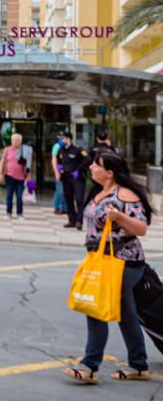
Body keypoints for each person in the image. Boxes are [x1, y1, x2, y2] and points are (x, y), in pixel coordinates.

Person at [63, 152, 152, 384]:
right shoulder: (99, 192)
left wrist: (119, 216)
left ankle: (89, 365)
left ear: (109, 173)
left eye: (96, 165)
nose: (91, 167)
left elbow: (141, 228)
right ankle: (139, 365)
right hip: (103, 260)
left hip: (123, 262)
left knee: (95, 306)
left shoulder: (125, 195)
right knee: (126, 313)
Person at [56, 131, 91, 230]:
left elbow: (88, 159)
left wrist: (78, 170)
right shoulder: (60, 150)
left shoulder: (78, 150)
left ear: (68, 139)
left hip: (77, 178)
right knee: (68, 199)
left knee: (79, 200)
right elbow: (59, 161)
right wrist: (60, 170)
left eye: (62, 139)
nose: (60, 141)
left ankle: (79, 221)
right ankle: (72, 220)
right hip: (66, 178)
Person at [0, 133, 31, 220]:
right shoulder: (7, 149)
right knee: (9, 195)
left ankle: (20, 214)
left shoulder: (25, 150)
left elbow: (29, 164)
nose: (15, 142)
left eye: (17, 140)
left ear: (21, 141)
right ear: (11, 141)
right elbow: (2, 161)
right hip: (9, 176)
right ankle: (8, 213)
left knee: (19, 197)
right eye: (13, 140)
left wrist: (28, 177)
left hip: (21, 178)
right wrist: (0, 173)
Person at [51, 132, 67, 216]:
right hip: (60, 169)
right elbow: (54, 160)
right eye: (61, 138)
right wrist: (56, 172)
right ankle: (57, 207)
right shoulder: (57, 146)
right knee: (60, 190)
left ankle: (64, 207)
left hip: (67, 171)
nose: (63, 140)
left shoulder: (67, 146)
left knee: (66, 190)